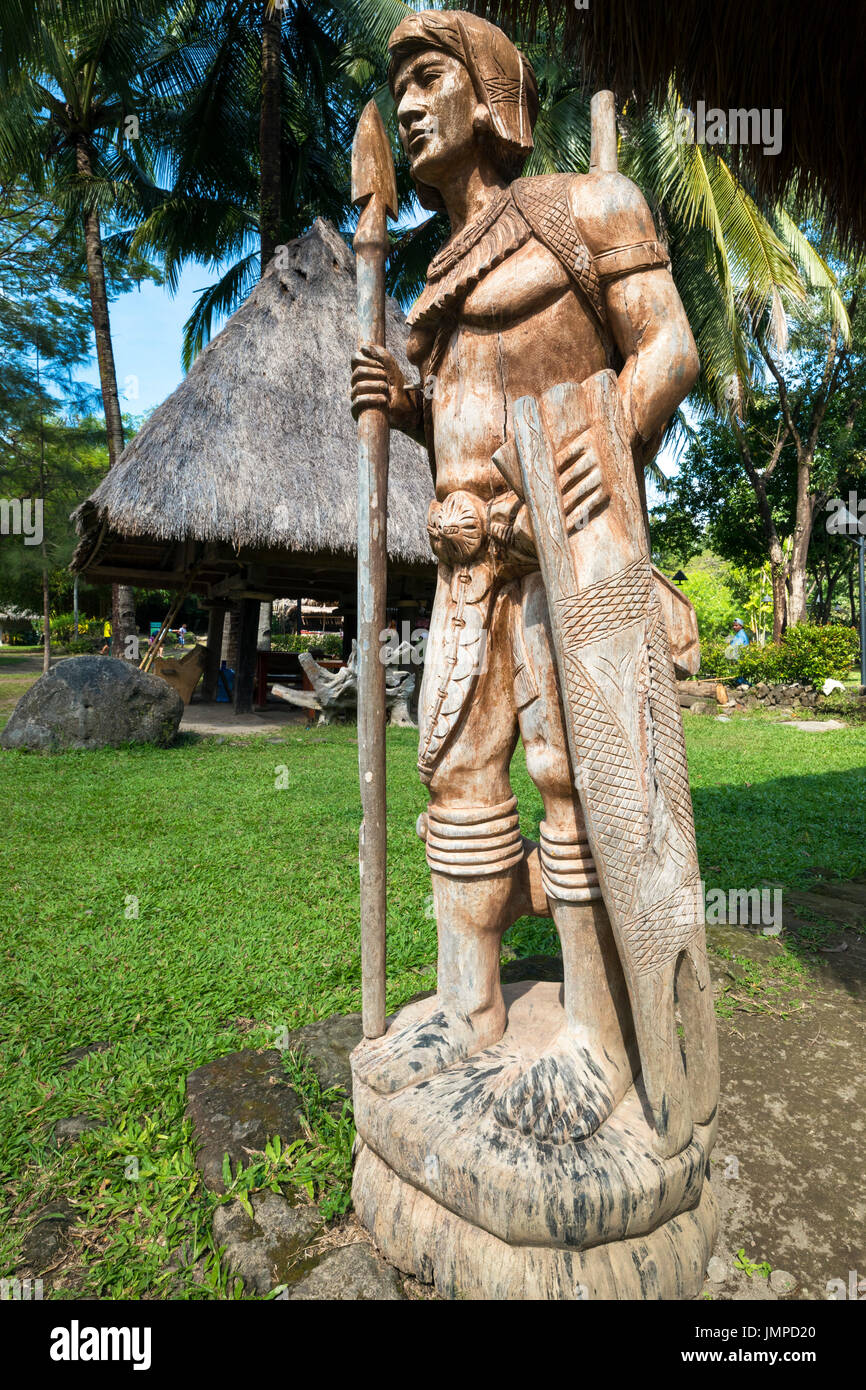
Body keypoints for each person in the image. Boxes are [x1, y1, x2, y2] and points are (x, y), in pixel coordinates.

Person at [349, 9, 712, 1154]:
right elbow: (470, 408)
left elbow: (668, 348)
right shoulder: (436, 272)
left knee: (576, 777)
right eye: (398, 87)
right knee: (456, 774)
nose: (408, 105)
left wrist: (607, 428)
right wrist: (408, 405)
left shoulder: (583, 207)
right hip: (465, 571)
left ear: (489, 89)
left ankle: (598, 1035)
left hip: (565, 555)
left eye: (428, 77)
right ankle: (467, 1004)